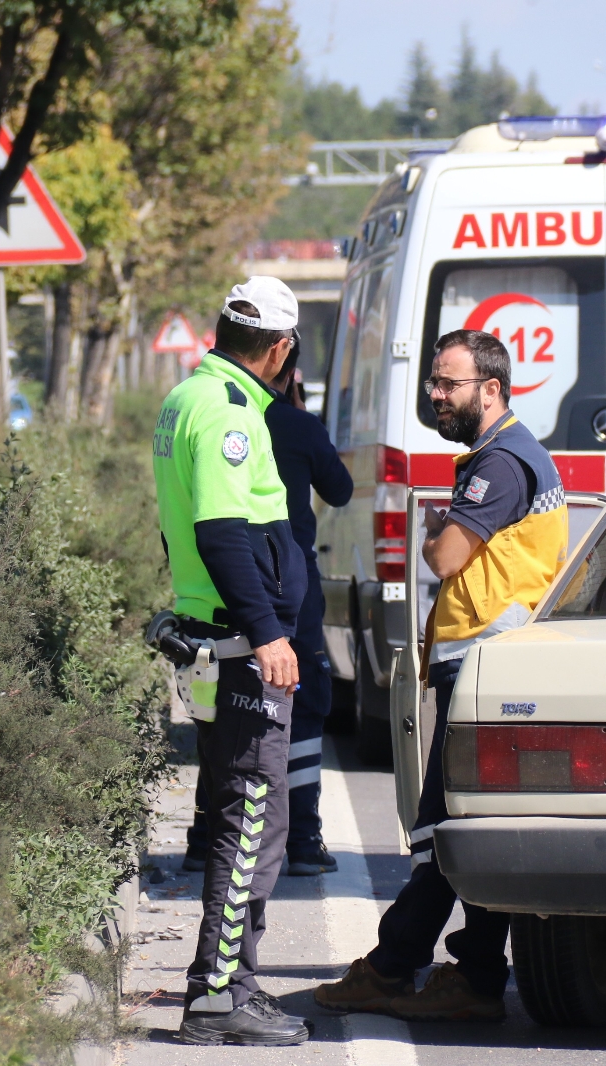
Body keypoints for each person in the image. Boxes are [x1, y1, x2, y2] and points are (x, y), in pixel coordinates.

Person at [312, 328, 568, 1023]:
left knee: (446, 826)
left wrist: (433, 531)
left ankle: (398, 968)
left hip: (488, 662)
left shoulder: (502, 463)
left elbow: (445, 557)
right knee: (466, 825)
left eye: (447, 384)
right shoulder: (503, 455)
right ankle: (470, 976)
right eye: (433, 383)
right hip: (489, 660)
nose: (436, 396)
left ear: (491, 389)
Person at [152, 276, 311, 1046]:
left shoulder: (188, 397)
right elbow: (221, 532)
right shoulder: (227, 414)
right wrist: (269, 633)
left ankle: (230, 986)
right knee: (250, 820)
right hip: (244, 648)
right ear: (280, 350)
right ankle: (217, 997)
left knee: (246, 814)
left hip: (220, 638)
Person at [183, 337, 353, 876]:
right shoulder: (293, 425)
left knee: (221, 710)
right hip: (285, 591)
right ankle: (301, 838)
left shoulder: (205, 408)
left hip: (215, 589)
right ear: (285, 368)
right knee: (304, 703)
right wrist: (303, 419)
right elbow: (341, 489)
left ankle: (205, 833)